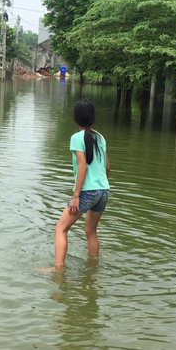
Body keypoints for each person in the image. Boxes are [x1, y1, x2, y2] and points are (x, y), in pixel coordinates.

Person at [54, 99, 110, 269]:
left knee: (60, 229)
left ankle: (58, 269)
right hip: (103, 190)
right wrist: (101, 186)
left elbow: (83, 166)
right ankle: (92, 267)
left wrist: (76, 196)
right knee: (90, 230)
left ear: (75, 118)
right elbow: (107, 167)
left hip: (87, 192)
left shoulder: (76, 138)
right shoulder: (100, 137)